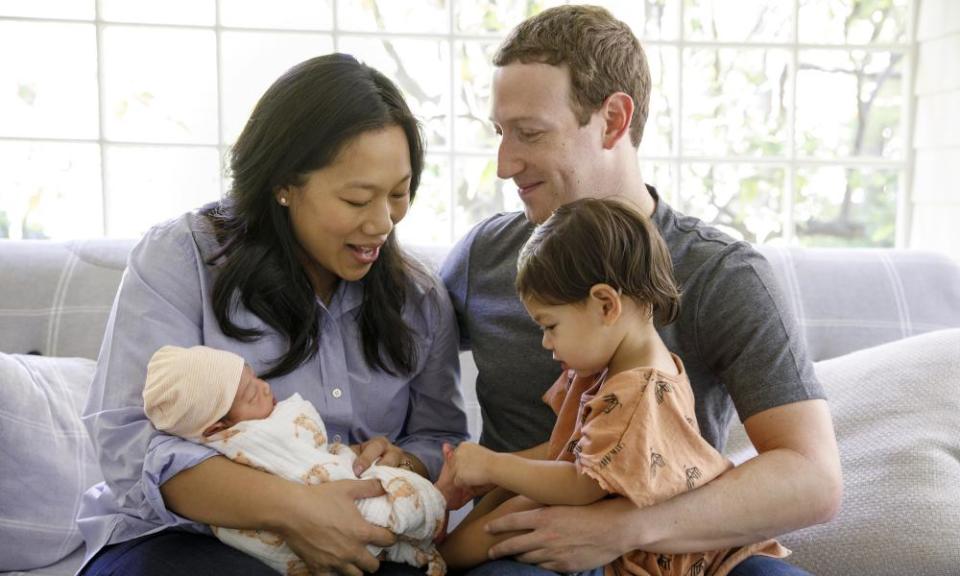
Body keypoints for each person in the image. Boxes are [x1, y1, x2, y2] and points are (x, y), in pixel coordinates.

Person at [439, 5, 841, 575]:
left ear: (613, 120)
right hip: (529, 551)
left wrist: (622, 528)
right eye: (501, 134)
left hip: (680, 545)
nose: (505, 165)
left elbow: (813, 478)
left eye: (529, 133)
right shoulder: (487, 256)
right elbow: (387, 351)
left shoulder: (719, 273)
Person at [78, 53, 469, 576]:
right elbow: (129, 441)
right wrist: (296, 510)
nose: (382, 223)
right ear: (284, 183)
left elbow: (441, 435)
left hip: (361, 538)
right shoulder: (184, 258)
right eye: (358, 199)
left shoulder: (417, 298)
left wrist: (411, 460)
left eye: (398, 195)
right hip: (182, 537)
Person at [439, 198, 790, 575]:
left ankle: (434, 562)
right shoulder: (622, 370)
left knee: (518, 514)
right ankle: (438, 558)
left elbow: (581, 484)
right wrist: (488, 474)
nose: (545, 342)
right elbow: (568, 450)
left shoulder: (638, 392)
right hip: (647, 536)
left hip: (677, 556)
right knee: (509, 500)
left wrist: (494, 465)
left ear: (606, 305)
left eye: (550, 326)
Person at [142, 344, 448, 576]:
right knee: (394, 514)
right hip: (303, 523)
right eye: (251, 396)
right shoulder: (246, 438)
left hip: (349, 484)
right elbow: (300, 470)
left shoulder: (422, 298)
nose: (265, 387)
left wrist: (393, 462)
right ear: (217, 428)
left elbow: (437, 435)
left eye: (256, 379)